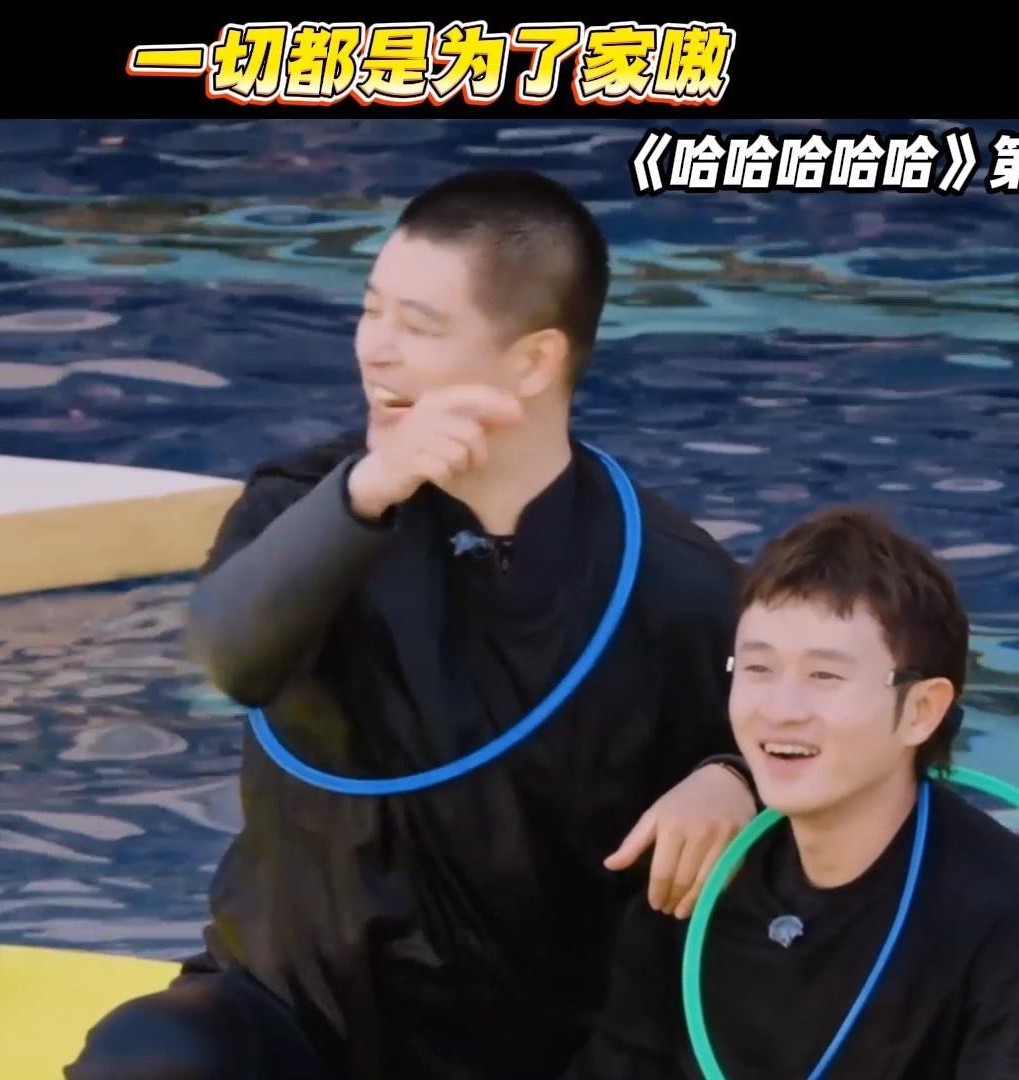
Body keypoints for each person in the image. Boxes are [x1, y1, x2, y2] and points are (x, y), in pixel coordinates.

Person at [64, 167, 759, 1080]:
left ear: (533, 362)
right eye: (371, 311)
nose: (374, 351)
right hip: (295, 1017)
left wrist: (736, 778)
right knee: (149, 1058)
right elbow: (228, 657)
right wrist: (364, 496)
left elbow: (847, 760)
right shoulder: (302, 509)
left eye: (419, 327)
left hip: (536, 1050)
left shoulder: (670, 577)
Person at [563, 506, 1019, 1080]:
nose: (780, 710)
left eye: (824, 676)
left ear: (921, 710)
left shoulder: (1017, 925)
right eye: (757, 669)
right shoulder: (697, 870)